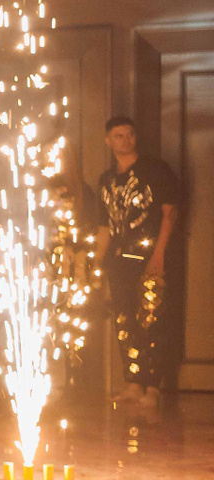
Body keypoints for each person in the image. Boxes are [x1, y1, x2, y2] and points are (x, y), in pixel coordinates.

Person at [92, 116, 178, 418]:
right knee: (124, 320)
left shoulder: (155, 170)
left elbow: (169, 213)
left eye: (130, 134)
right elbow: (104, 226)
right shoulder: (106, 180)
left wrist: (159, 253)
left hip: (149, 255)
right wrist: (97, 264)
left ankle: (152, 386)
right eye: (118, 136)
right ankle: (133, 383)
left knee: (151, 318)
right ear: (108, 140)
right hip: (120, 260)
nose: (125, 140)